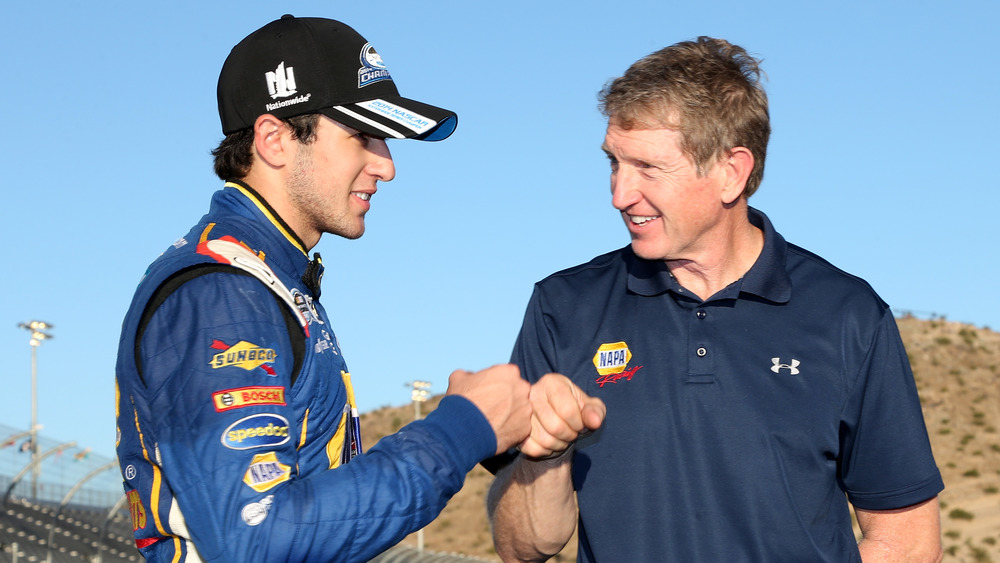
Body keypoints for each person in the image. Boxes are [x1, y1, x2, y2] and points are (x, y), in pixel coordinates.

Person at [487, 36, 944, 562]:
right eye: (614, 162)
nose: (619, 194)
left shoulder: (848, 315)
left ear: (731, 172)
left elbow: (906, 539)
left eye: (648, 168)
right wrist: (547, 456)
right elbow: (522, 549)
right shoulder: (562, 307)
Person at [114, 15, 532, 562]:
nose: (386, 165)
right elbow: (256, 539)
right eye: (362, 135)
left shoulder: (272, 278)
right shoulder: (224, 291)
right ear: (275, 139)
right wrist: (460, 430)